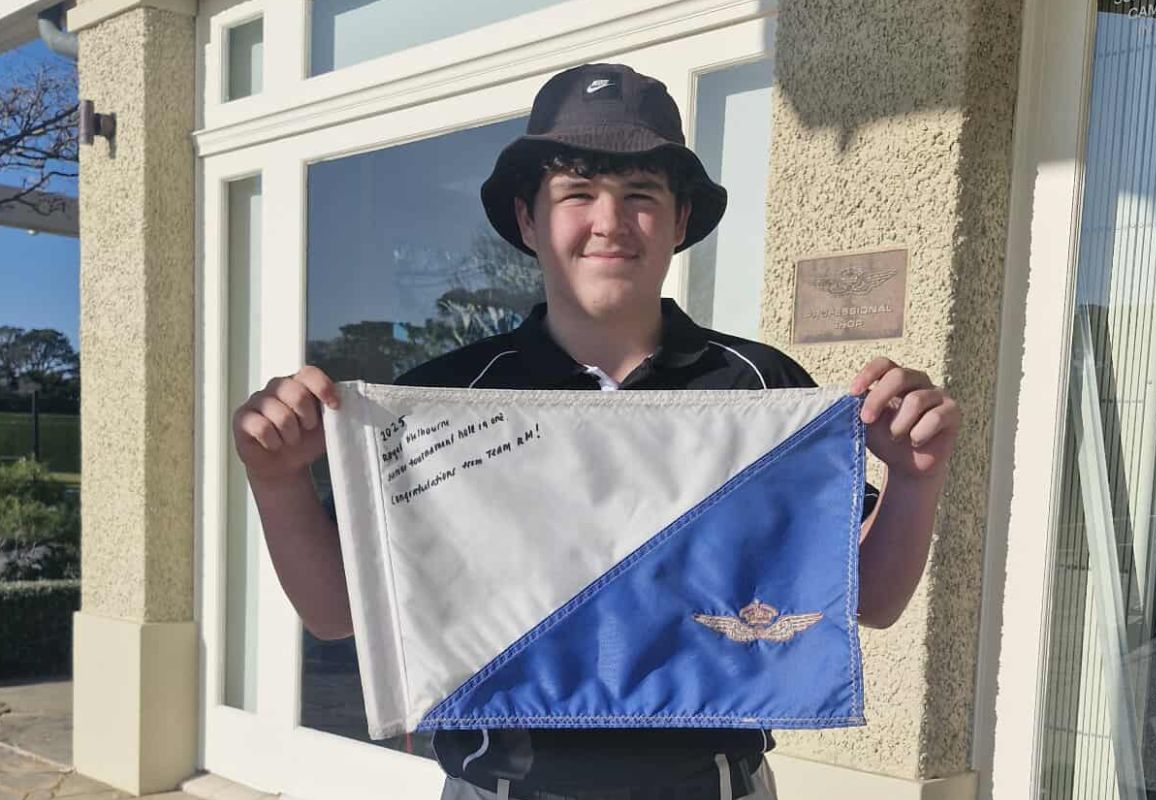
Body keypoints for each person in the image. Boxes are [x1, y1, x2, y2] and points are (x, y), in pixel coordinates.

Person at [232, 63, 961, 800]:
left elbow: (868, 599)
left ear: (680, 221)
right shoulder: (441, 401)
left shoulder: (760, 388)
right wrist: (276, 478)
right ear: (528, 221)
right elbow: (335, 614)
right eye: (576, 193)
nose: (609, 222)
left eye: (640, 194)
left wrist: (914, 476)